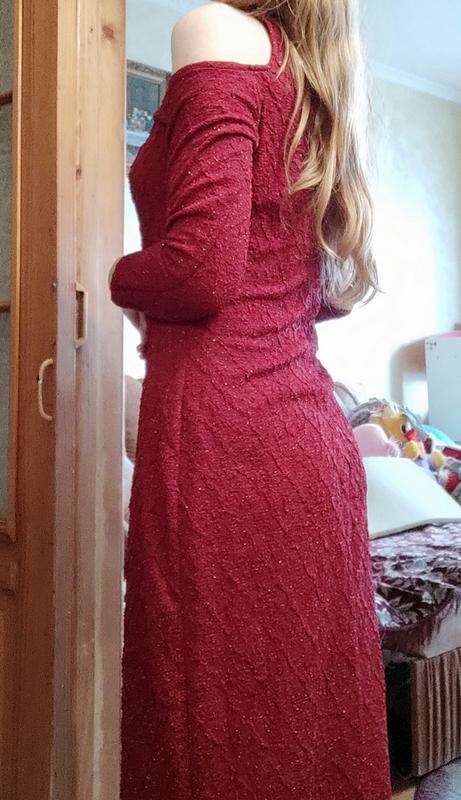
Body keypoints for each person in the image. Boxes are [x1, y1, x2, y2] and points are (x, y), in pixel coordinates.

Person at [109, 1, 393, 797]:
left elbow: (200, 268)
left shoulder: (214, 30)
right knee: (303, 725)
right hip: (306, 439)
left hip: (223, 439)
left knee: (209, 728)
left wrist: (112, 278)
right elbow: (319, 292)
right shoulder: (309, 75)